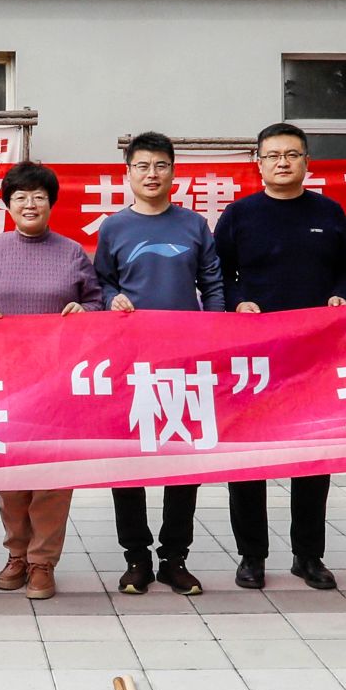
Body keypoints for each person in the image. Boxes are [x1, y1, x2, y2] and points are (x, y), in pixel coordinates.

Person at [213, 123, 346, 592]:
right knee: (248, 456)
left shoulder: (328, 212)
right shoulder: (239, 215)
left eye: (291, 155)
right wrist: (238, 303)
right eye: (272, 155)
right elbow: (219, 274)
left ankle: (308, 555)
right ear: (258, 163)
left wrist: (340, 295)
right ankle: (251, 555)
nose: (282, 163)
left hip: (316, 352)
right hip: (254, 354)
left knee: (312, 455)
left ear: (307, 162)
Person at [0, 162, 102, 602]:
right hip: (4, 380)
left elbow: (96, 302)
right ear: (7, 204)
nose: (29, 204)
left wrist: (84, 311)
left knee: (53, 475)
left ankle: (43, 563)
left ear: (51, 203)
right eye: (20, 196)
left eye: (39, 196)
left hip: (58, 381)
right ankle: (16, 555)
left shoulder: (72, 253)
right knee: (12, 473)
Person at [93, 131, 225, 596]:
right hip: (131, 361)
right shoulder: (113, 227)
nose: (152, 174)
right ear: (127, 173)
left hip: (186, 360)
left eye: (161, 166)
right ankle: (136, 559)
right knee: (127, 460)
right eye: (142, 166)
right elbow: (101, 283)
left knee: (183, 461)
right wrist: (112, 299)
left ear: (174, 172)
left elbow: (212, 283)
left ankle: (174, 558)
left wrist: (216, 333)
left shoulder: (193, 225)